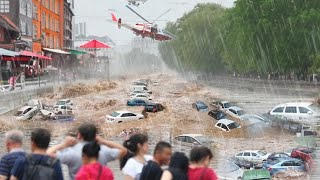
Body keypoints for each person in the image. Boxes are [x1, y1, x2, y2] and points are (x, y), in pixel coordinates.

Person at [46, 123, 127, 180]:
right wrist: (103, 141)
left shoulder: (72, 151)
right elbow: (123, 150)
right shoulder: (102, 150)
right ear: (95, 135)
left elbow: (48, 154)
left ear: (79, 135)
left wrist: (64, 144)